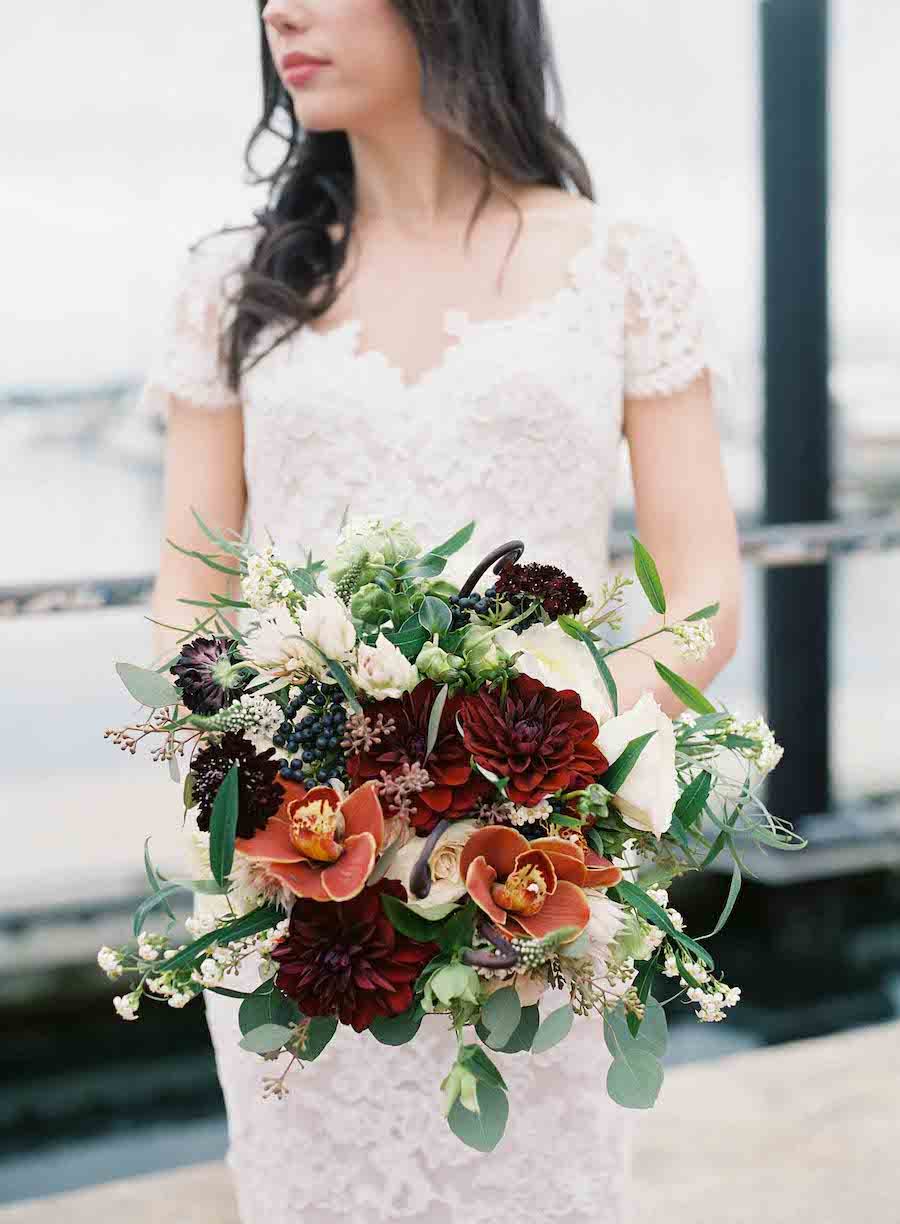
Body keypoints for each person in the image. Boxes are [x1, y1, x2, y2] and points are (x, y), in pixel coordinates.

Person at [141, 2, 743, 1220]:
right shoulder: (232, 285)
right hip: (298, 883)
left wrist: (568, 774)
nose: (279, 12)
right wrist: (266, 781)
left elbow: (700, 583)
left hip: (537, 882)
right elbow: (191, 598)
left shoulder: (620, 262)